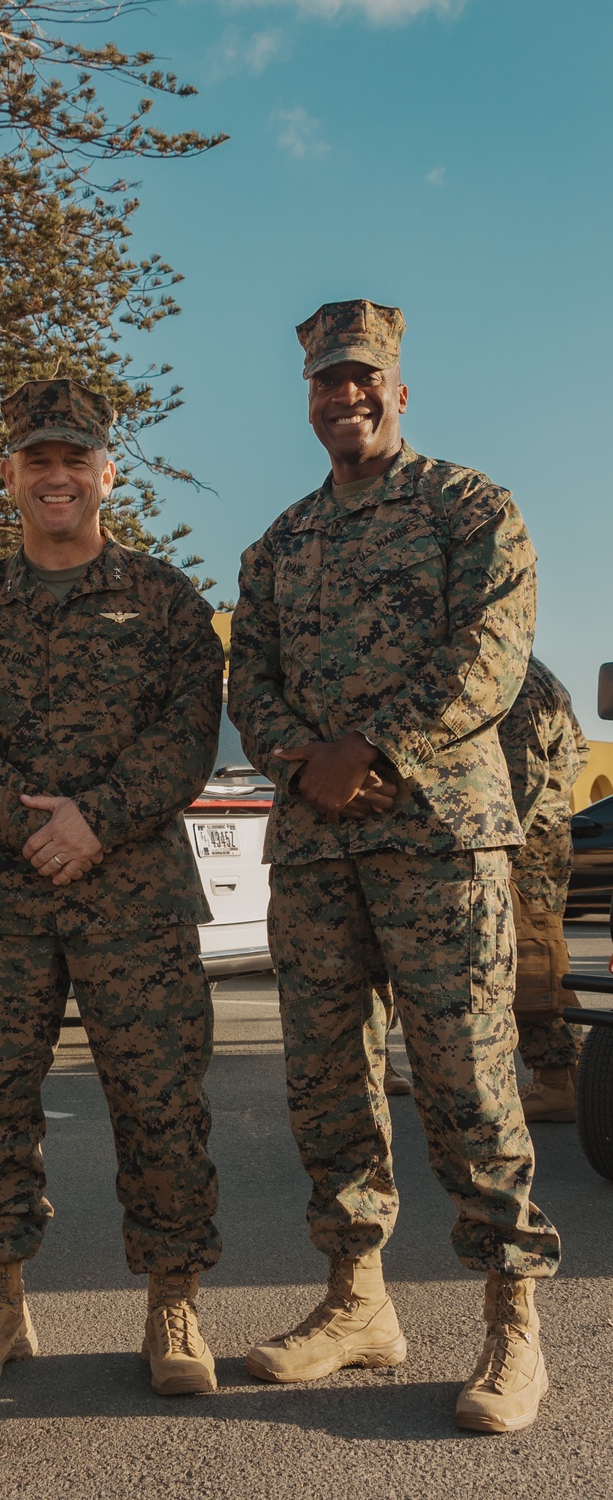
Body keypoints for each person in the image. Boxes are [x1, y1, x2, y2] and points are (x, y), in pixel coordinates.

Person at [228, 300, 560, 1434]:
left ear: (399, 390)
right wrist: (300, 761)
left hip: (440, 841)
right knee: (328, 1085)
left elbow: (494, 655)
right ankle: (355, 1301)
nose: (345, 396)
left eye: (362, 378)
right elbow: (251, 682)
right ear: (308, 398)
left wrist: (373, 749)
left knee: (467, 1081)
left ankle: (513, 1323)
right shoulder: (276, 545)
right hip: (318, 851)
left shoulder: (472, 508)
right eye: (326, 382)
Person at [0, 378, 223, 1396]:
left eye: (75, 458)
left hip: (134, 892)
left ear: (107, 471)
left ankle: (173, 1303)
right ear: (7, 474)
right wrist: (27, 823)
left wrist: (95, 818)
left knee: (159, 1103)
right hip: (2, 898)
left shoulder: (167, 601)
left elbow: (186, 737)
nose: (57, 475)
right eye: (36, 459)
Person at [499, 654, 589, 1121]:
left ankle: (558, 1081)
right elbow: (579, 751)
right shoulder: (539, 675)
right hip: (541, 833)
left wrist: (496, 846)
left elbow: (521, 779)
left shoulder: (515, 681)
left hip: (522, 840)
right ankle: (566, 1077)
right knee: (539, 953)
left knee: (532, 960)